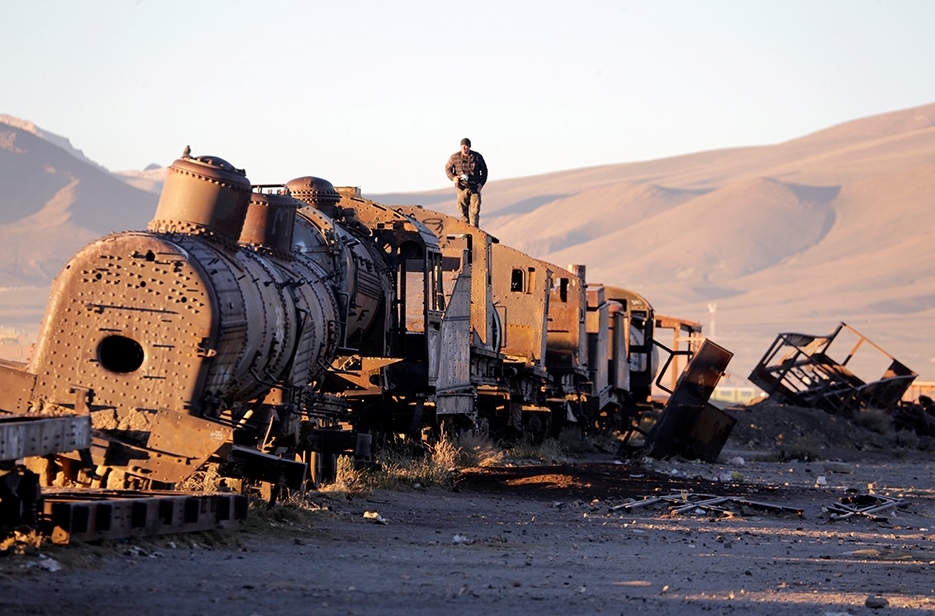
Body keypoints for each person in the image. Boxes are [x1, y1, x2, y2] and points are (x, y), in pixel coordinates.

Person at [445, 138, 487, 227]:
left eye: (466, 146)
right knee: (463, 212)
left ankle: (474, 231)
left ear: (469, 147)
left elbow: (484, 171)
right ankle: (465, 232)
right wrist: (453, 178)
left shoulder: (477, 157)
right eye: (463, 146)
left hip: (474, 188)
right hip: (461, 188)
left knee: (474, 212)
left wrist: (481, 184)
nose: (465, 148)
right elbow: (447, 169)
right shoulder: (454, 157)